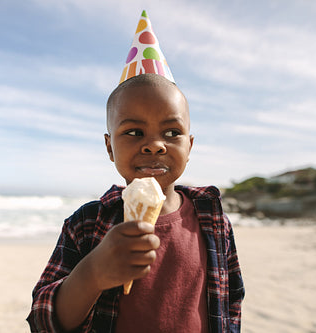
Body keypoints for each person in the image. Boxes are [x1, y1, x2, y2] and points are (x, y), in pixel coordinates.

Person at [27, 11, 244, 333]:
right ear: (109, 147)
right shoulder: (86, 223)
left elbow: (231, 300)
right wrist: (93, 273)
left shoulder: (213, 220)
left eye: (172, 133)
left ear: (190, 145)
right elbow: (44, 320)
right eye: (133, 132)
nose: (155, 145)